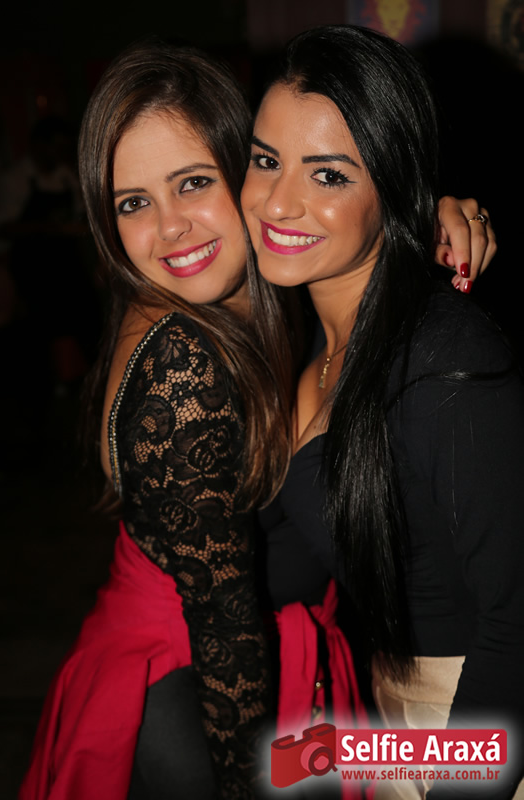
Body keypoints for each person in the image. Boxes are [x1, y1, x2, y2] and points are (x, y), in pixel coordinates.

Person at [19, 34, 496, 800]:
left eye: (192, 183)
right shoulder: (182, 361)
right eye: (132, 203)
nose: (170, 227)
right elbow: (226, 636)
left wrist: (425, 212)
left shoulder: (274, 291)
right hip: (198, 709)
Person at [241, 25, 523, 799]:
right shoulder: (312, 351)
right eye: (264, 160)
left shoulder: (445, 362)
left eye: (327, 175)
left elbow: (514, 625)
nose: (277, 201)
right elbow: (292, 569)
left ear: (394, 187)